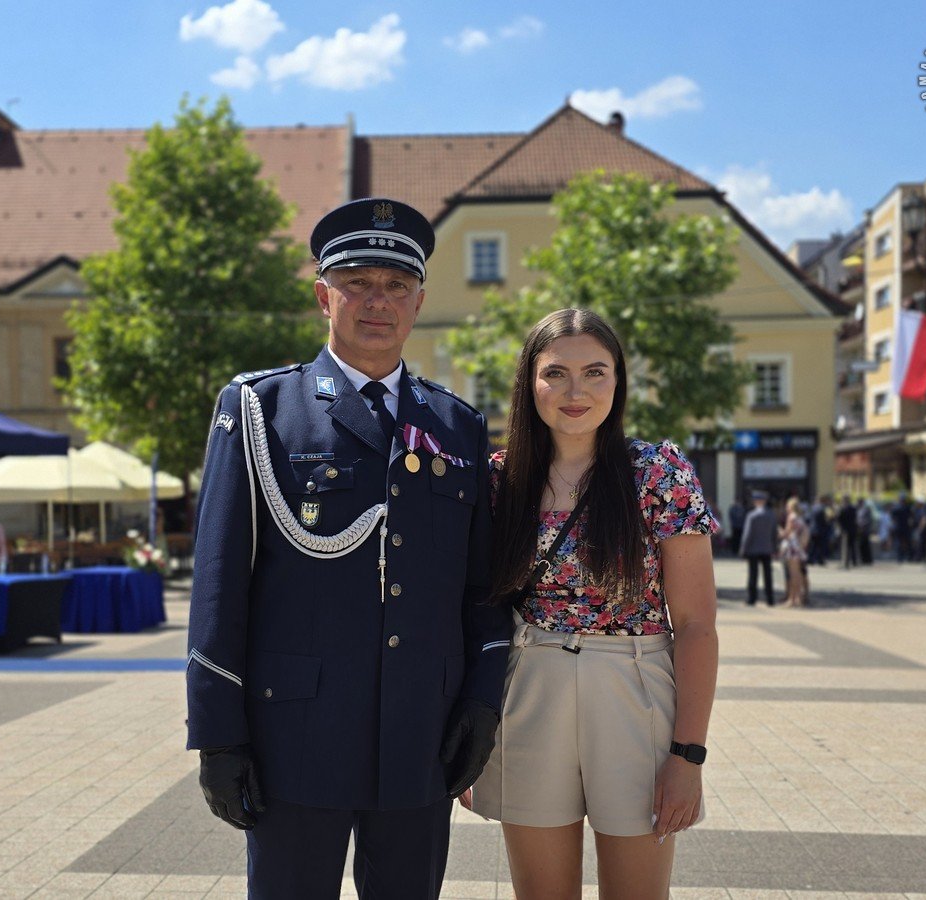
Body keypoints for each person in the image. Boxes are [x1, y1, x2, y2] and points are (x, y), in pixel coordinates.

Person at [186, 197, 512, 900]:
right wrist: (219, 735)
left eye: (396, 286)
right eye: (358, 282)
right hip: (294, 738)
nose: (378, 301)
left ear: (419, 303)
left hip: (421, 734)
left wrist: (484, 707)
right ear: (322, 296)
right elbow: (219, 586)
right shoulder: (260, 410)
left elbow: (481, 591)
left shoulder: (456, 426)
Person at [468, 309, 719, 899]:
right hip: (528, 686)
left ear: (618, 381)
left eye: (595, 372)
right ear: (530, 383)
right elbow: (473, 610)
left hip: (635, 686)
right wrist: (472, 728)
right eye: (556, 373)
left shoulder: (658, 473)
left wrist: (689, 755)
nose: (575, 391)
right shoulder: (496, 481)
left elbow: (696, 624)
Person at [739, 491, 777, 606]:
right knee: (768, 575)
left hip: (753, 549)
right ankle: (770, 599)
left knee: (753, 575)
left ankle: (752, 598)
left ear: (756, 502)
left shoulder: (752, 515)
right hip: (767, 548)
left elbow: (747, 534)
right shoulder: (771, 515)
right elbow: (774, 533)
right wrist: (774, 547)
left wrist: (743, 548)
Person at [779, 498, 810, 607]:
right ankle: (799, 598)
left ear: (790, 507)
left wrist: (779, 531)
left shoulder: (791, 517)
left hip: (792, 546)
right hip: (798, 547)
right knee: (798, 574)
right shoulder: (800, 518)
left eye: (787, 506)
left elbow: (786, 533)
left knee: (793, 575)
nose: (786, 508)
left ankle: (792, 599)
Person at [890, 493, 914, 563]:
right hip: (904, 527)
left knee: (901, 543)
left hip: (900, 527)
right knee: (905, 543)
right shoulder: (907, 507)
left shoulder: (896, 508)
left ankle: (901, 558)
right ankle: (907, 557)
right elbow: (911, 517)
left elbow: (892, 518)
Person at [837, 495, 858, 569]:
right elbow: (855, 518)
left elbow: (838, 519)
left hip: (845, 530)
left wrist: (840, 527)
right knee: (852, 546)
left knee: (845, 547)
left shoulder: (842, 508)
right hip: (852, 529)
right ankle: (854, 561)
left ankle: (845, 563)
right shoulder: (853, 508)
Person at [856, 498, 875, 566]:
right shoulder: (858, 510)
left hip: (865, 530)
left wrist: (862, 526)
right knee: (861, 546)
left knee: (866, 545)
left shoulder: (866, 510)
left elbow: (869, 520)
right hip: (859, 530)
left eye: (860, 502)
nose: (858, 503)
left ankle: (868, 560)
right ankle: (863, 559)